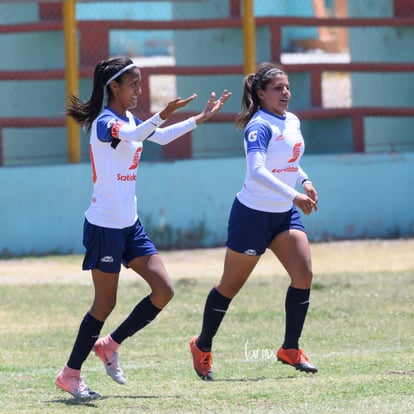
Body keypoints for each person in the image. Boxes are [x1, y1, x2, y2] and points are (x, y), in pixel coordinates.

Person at [55, 56, 231, 400]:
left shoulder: (128, 118)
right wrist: (163, 112)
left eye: (139, 82)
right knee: (104, 304)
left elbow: (159, 137)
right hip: (104, 226)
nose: (139, 89)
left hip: (129, 225)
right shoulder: (106, 123)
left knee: (163, 290)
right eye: (133, 83)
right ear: (114, 87)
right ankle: (70, 374)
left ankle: (110, 345)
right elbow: (138, 133)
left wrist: (198, 119)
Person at [189, 62, 319, 380]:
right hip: (252, 216)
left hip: (283, 215)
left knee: (303, 275)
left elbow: (288, 162)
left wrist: (304, 180)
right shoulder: (258, 126)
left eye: (287, 87)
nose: (285, 92)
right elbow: (258, 171)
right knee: (230, 287)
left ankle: (290, 348)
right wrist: (294, 195)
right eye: (278, 88)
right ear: (260, 94)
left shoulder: (292, 120)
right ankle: (202, 345)